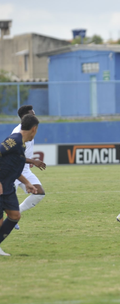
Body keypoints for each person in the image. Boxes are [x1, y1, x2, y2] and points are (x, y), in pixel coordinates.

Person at [0, 114, 39, 256]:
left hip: (8, 186)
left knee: (15, 215)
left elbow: (13, 168)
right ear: (33, 129)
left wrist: (27, 183)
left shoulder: (21, 145)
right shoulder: (14, 140)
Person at [11, 105, 46, 230]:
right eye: (32, 115)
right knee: (6, 201)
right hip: (13, 170)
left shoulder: (30, 129)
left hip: (24, 169)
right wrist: (33, 161)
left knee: (39, 193)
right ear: (25, 117)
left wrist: (29, 161)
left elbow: (23, 152)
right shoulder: (17, 133)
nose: (35, 117)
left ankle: (15, 215)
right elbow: (13, 156)